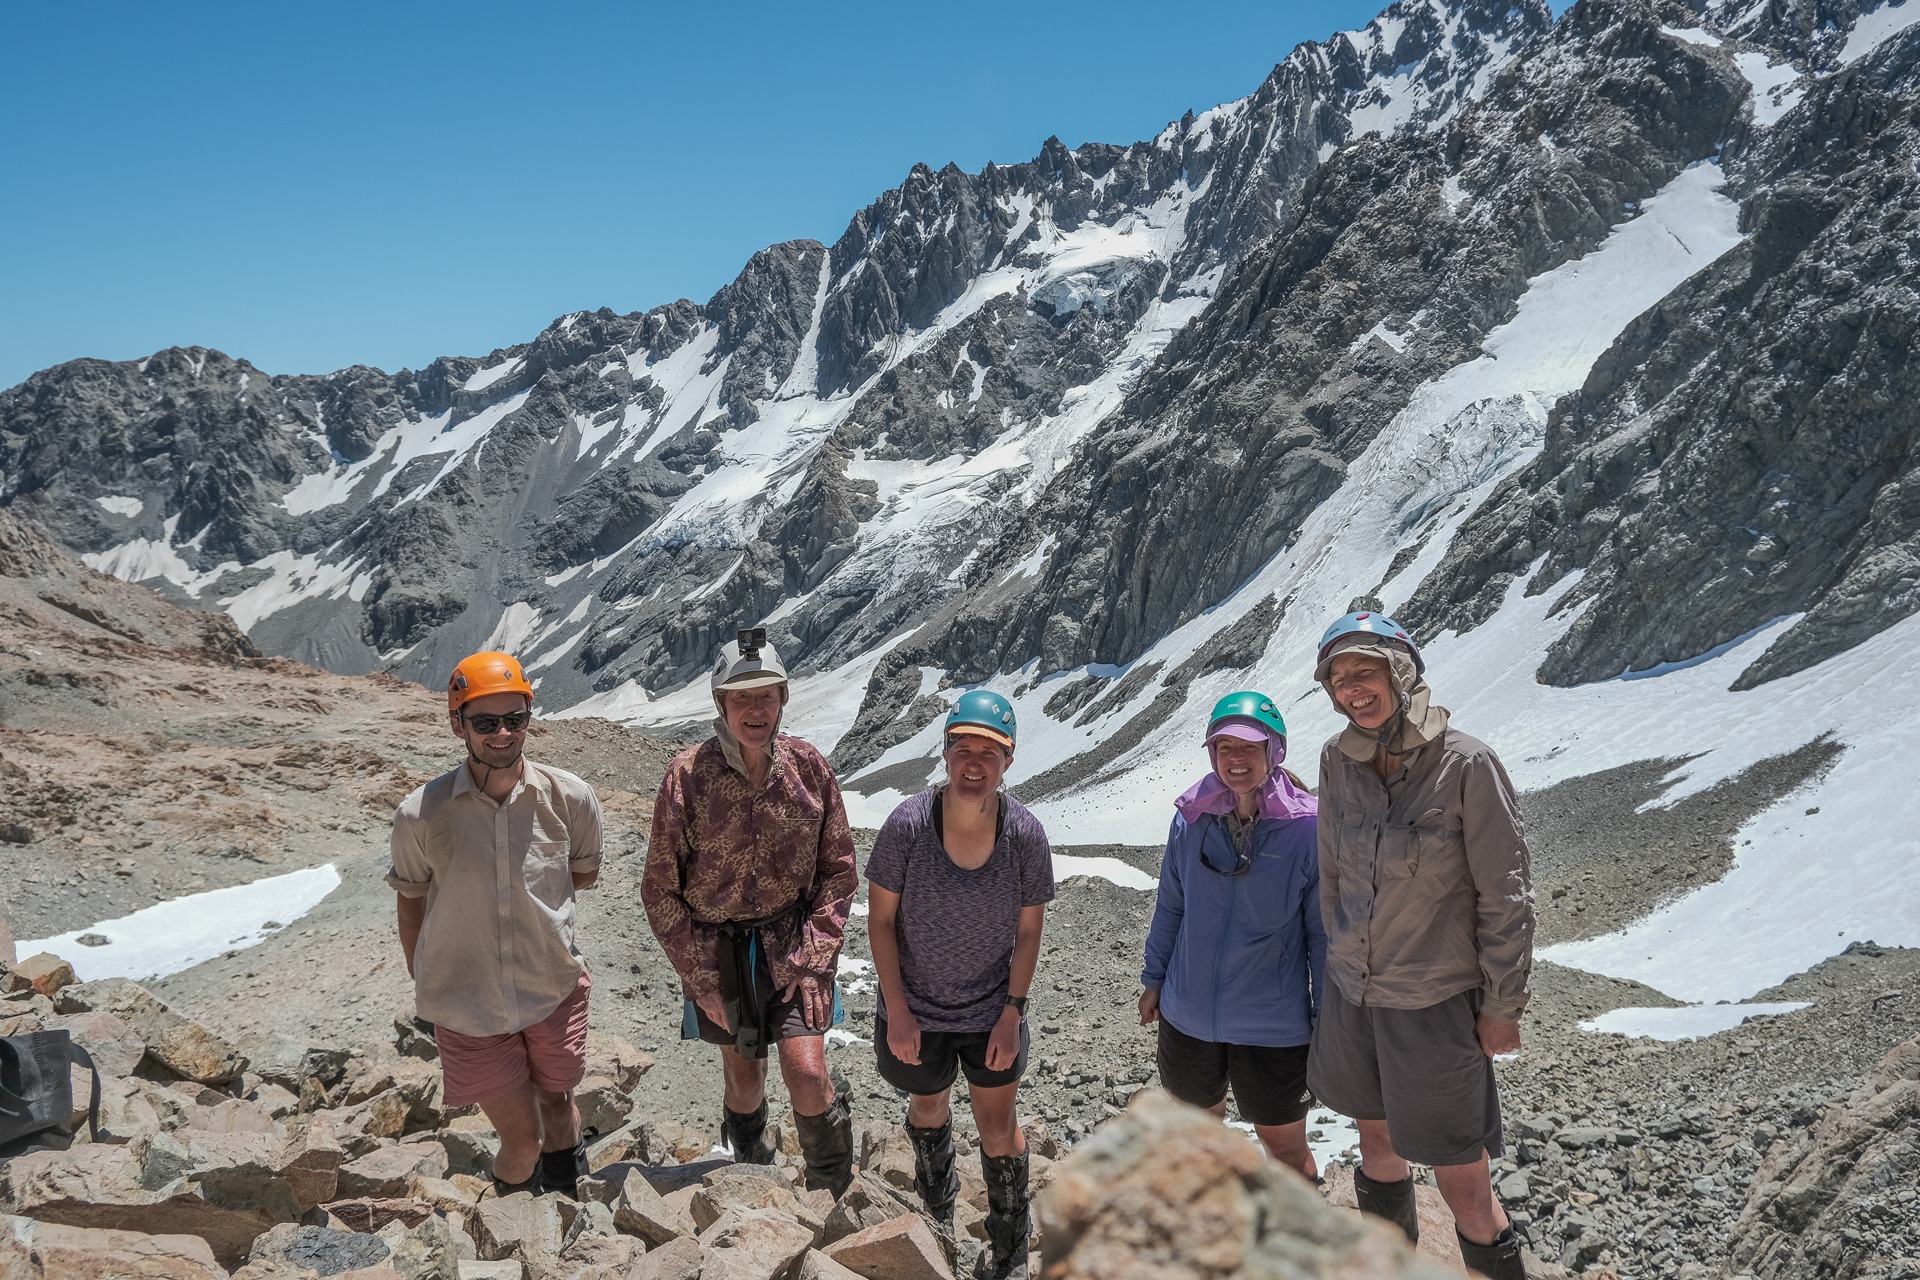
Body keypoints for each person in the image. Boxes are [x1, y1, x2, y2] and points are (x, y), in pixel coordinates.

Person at [1305, 610, 1535, 1280]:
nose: (1352, 687)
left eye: (1365, 670)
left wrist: (1502, 1007)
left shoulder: (1467, 764)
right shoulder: (1334, 761)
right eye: (1338, 677)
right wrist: (1335, 972)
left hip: (1432, 1002)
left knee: (1463, 1178)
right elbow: (1332, 879)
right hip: (1355, 994)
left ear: (1400, 672)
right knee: (1373, 1137)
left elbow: (1507, 894)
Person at [642, 628, 859, 1196]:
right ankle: (750, 1167)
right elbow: (660, 889)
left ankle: (831, 1192)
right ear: (721, 704)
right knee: (744, 1079)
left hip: (794, 944)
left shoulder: (810, 768)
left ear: (783, 700)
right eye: (741, 697)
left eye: (767, 695)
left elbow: (838, 871)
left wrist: (815, 961)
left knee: (808, 1074)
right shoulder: (687, 777)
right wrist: (700, 978)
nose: (755, 709)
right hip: (719, 952)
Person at [388, 651, 604, 1196]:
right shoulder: (420, 814)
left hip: (550, 987)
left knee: (558, 1106)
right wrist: (428, 981)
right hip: (468, 1005)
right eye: (485, 722)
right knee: (523, 1137)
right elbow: (410, 902)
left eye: (516, 718)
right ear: (457, 723)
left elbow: (579, 878)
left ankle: (571, 1211)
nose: (503, 734)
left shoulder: (572, 798)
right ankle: (510, 1233)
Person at [866, 690, 1051, 1280]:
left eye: (988, 752)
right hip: (917, 1007)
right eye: (962, 749)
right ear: (945, 753)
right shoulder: (908, 826)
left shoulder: (1024, 835)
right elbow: (881, 921)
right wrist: (898, 1010)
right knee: (928, 1103)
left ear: (1008, 759)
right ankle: (938, 1217)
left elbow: (1028, 933)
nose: (974, 764)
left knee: (999, 1124)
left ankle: (1008, 1250)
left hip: (991, 1008)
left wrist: (1011, 1012)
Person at [1138, 691, 1325, 1181]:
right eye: (1224, 748)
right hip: (1188, 1013)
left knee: (1285, 1152)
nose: (1235, 759)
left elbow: (1323, 935)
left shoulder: (1308, 829)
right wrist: (1154, 978)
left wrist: (1328, 1014)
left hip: (1274, 1025)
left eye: (1249, 747)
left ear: (1274, 751)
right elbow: (1172, 905)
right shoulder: (1191, 817)